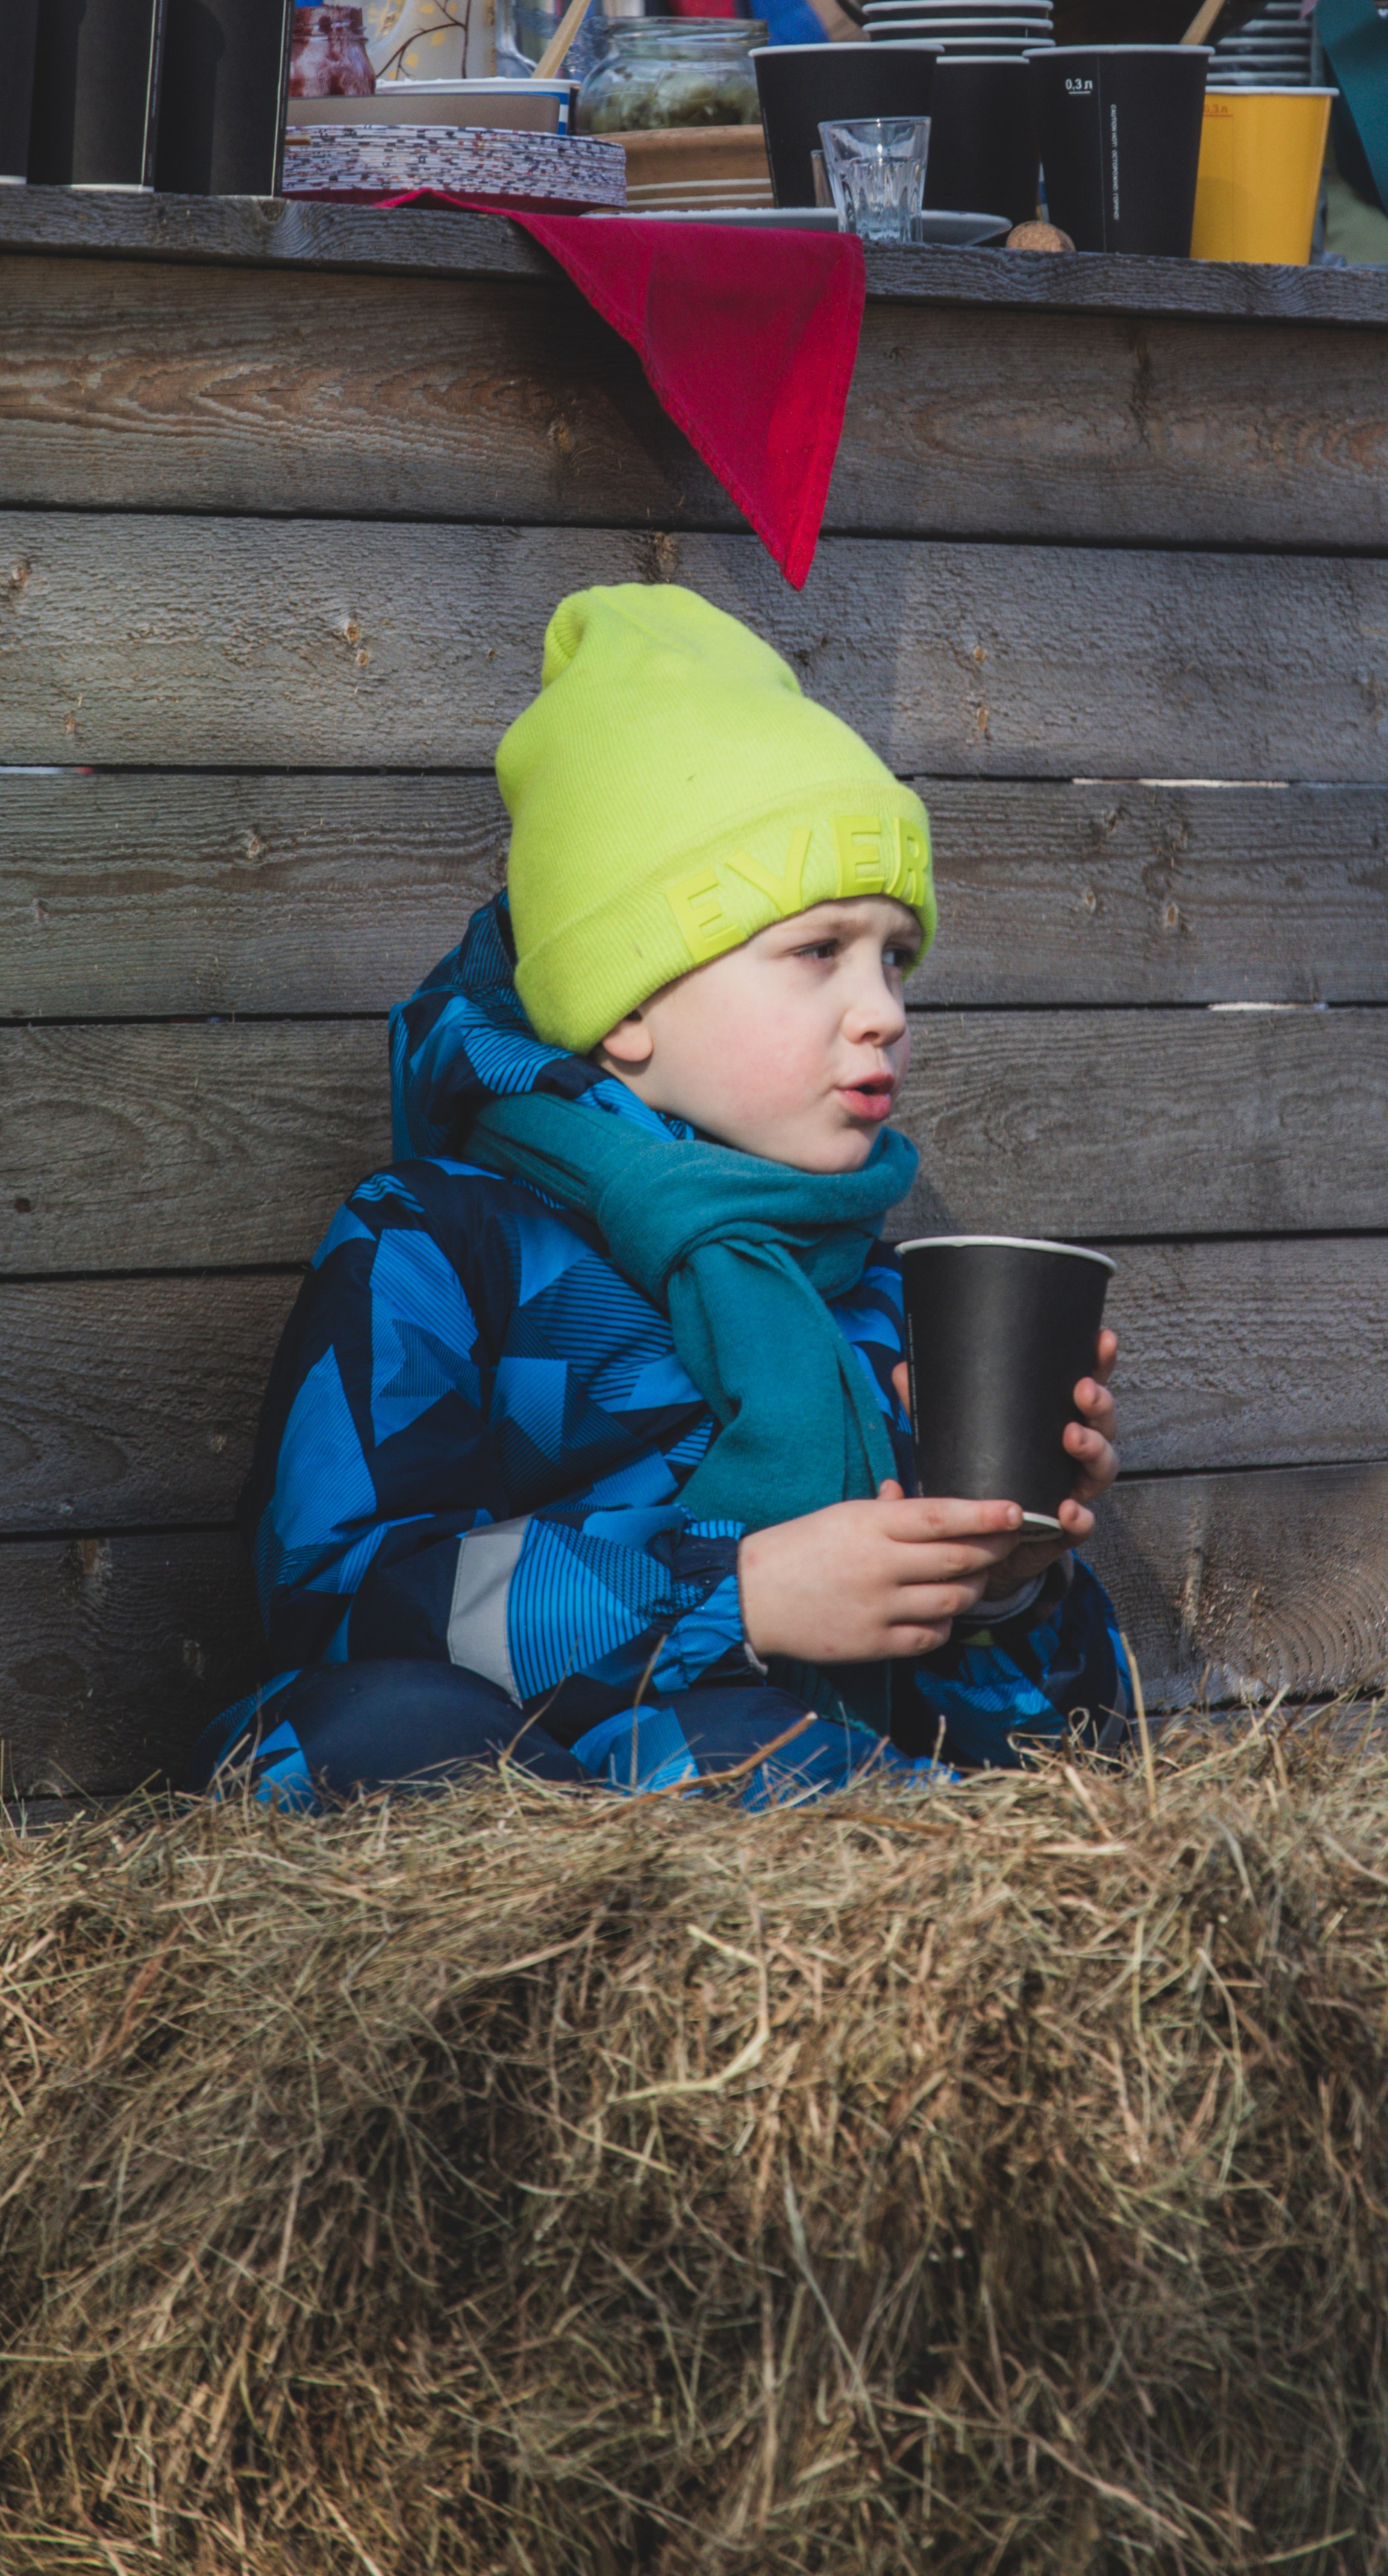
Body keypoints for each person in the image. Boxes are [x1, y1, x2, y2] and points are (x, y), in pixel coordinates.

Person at [193, 587, 1131, 1808]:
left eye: (896, 958)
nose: (885, 1010)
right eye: (819, 951)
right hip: (503, 1825)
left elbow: (1067, 1755)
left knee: (781, 1753)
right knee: (379, 1730)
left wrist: (1006, 1584)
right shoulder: (437, 1242)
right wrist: (740, 1596)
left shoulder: (883, 1306)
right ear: (628, 1004)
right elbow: (337, 1599)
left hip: (813, 1833)